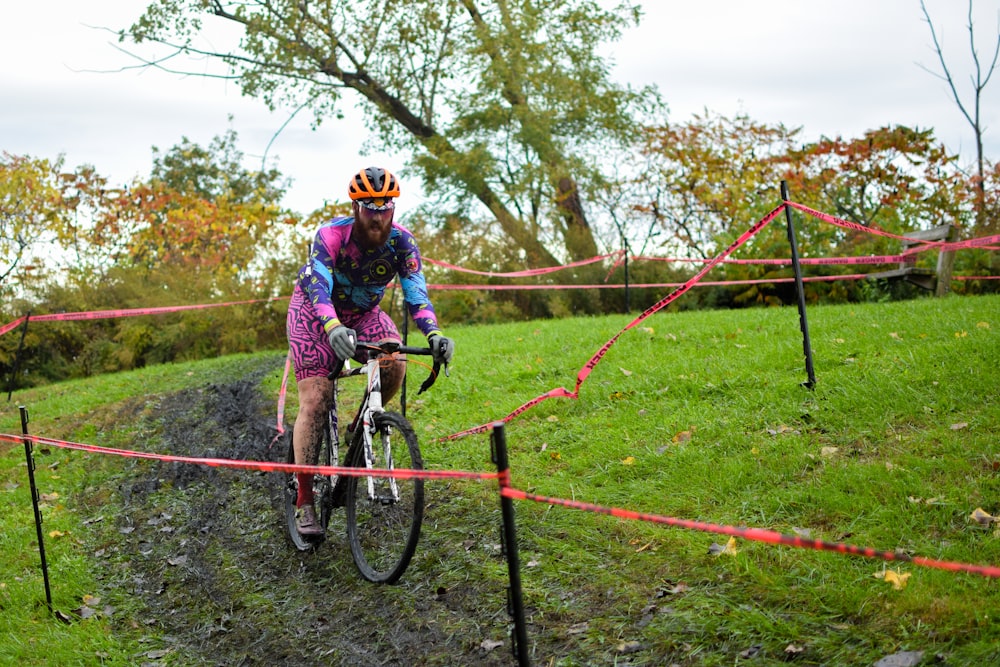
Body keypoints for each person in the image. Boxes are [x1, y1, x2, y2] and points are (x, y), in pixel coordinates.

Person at [286, 166, 454, 537]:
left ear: (393, 208)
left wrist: (435, 333)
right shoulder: (331, 235)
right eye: (369, 207)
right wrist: (332, 327)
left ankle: (361, 425)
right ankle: (303, 501)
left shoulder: (403, 243)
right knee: (316, 400)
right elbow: (318, 286)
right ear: (356, 206)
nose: (377, 216)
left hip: (363, 313)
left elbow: (417, 296)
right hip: (316, 314)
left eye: (384, 207)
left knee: (394, 363)